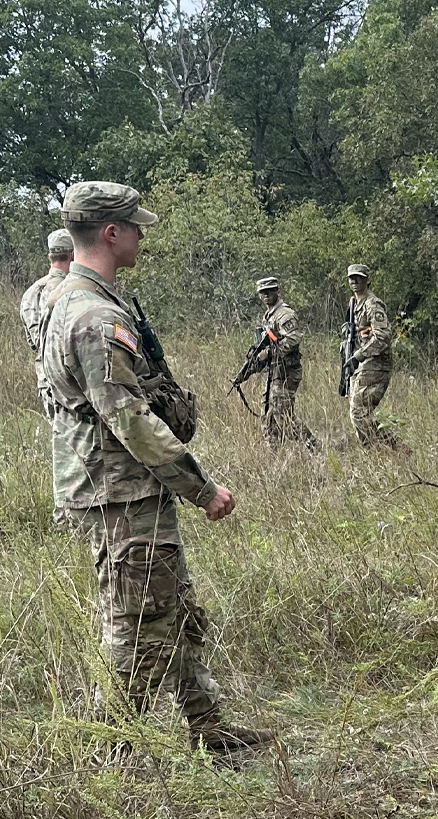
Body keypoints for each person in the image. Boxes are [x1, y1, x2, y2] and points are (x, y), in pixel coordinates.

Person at [37, 181, 272, 755]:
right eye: (135, 227)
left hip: (122, 487)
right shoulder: (93, 316)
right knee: (138, 626)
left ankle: (209, 729)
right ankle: (113, 754)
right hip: (120, 491)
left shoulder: (73, 300)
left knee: (176, 610)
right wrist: (202, 488)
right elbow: (130, 419)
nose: (142, 236)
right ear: (111, 232)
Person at [246, 276, 318, 449]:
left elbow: (293, 339)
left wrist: (269, 353)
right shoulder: (269, 315)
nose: (266, 295)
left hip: (286, 371)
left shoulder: (284, 314)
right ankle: (273, 452)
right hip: (273, 372)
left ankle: (313, 447)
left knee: (284, 416)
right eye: (263, 292)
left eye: (270, 291)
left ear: (278, 291)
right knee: (268, 416)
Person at [344, 264, 399, 448]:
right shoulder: (354, 304)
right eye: (351, 278)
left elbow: (382, 337)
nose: (354, 281)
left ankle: (386, 449)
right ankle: (393, 449)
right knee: (359, 413)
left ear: (367, 280)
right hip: (363, 366)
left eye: (359, 277)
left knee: (359, 413)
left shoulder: (372, 304)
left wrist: (358, 356)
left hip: (376, 364)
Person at [21, 229, 74, 421]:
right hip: (70, 384)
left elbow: (33, 342)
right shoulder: (72, 290)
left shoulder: (30, 293)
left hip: (45, 379)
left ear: (50, 255)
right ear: (73, 255)